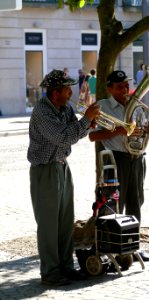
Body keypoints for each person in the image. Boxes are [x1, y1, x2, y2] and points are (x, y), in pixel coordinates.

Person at [27, 69, 100, 286]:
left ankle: (66, 267)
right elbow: (63, 136)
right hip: (45, 169)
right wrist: (86, 121)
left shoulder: (64, 107)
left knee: (66, 222)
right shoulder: (42, 112)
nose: (71, 92)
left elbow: (74, 133)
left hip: (62, 166)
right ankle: (50, 272)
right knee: (49, 225)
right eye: (67, 89)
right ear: (55, 92)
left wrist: (87, 124)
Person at [89, 70, 149, 262]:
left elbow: (142, 131)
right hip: (117, 159)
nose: (125, 89)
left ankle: (133, 247)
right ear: (110, 88)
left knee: (137, 202)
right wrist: (119, 131)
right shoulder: (102, 107)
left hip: (137, 158)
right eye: (120, 86)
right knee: (116, 204)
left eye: (126, 85)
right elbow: (93, 136)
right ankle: (114, 247)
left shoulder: (138, 106)